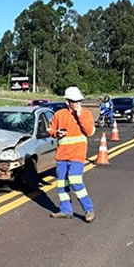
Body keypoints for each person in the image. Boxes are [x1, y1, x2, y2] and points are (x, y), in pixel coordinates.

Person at [49, 86, 96, 222]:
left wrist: (79, 115)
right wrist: (56, 133)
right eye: (74, 101)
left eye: (78, 101)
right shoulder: (59, 114)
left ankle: (88, 210)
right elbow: (51, 129)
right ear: (67, 102)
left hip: (77, 154)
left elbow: (89, 132)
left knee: (75, 180)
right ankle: (65, 210)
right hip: (62, 155)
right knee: (62, 184)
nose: (76, 104)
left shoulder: (86, 113)